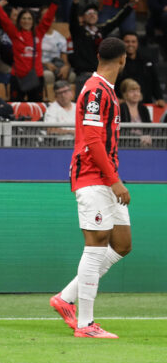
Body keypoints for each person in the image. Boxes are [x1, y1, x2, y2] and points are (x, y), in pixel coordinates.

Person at [50, 37, 131, 339]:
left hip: (106, 176)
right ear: (123, 59)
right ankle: (85, 324)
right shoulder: (96, 91)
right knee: (96, 244)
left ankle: (65, 298)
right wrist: (114, 180)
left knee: (121, 243)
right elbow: (94, 141)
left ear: (99, 55)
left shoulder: (105, 91)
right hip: (93, 177)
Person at [0, 0, 62, 102]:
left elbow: (48, 18)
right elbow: (5, 20)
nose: (26, 21)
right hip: (17, 77)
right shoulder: (15, 34)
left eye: (29, 18)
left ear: (33, 21)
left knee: (36, 107)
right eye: (24, 18)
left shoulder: (39, 33)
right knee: (16, 108)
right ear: (19, 21)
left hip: (36, 77)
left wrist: (56, 0)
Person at [115, 32, 165, 106]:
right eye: (127, 42)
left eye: (133, 42)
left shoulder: (147, 61)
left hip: (146, 105)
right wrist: (116, 99)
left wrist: (159, 98)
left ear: (137, 43)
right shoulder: (116, 63)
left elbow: (155, 82)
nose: (130, 44)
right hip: (123, 106)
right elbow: (111, 84)